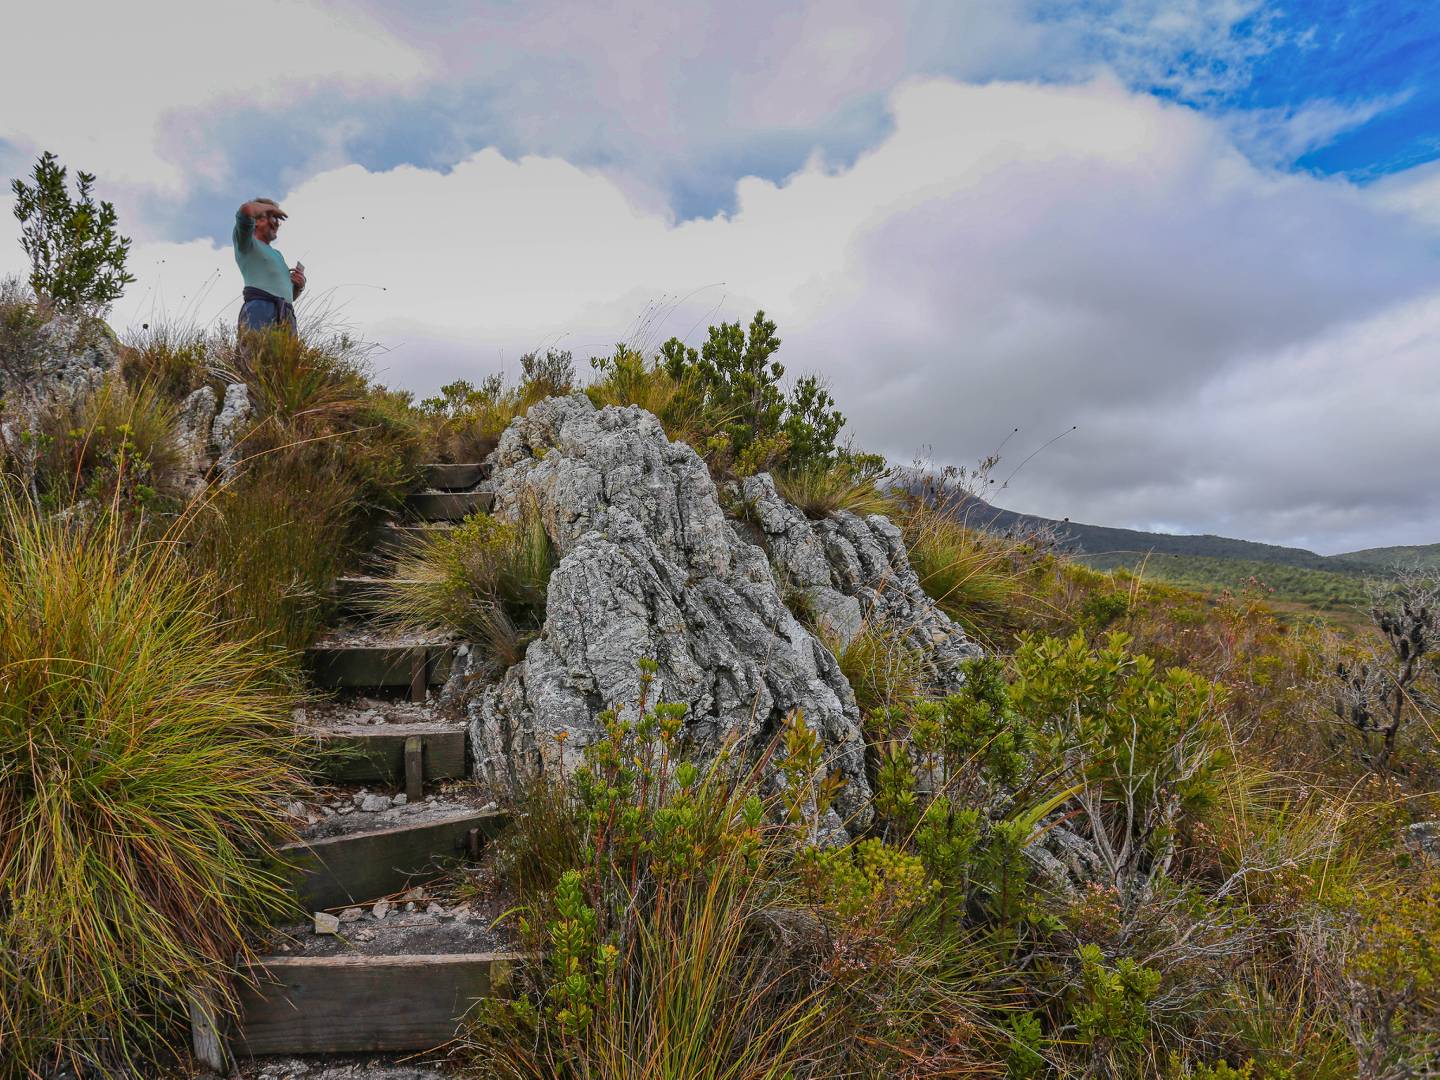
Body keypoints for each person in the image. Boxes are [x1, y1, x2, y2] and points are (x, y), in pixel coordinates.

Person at [233, 198, 306, 334]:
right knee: (257, 354)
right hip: (259, 308)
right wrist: (269, 208)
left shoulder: (277, 254)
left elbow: (288, 295)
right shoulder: (246, 243)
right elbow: (245, 210)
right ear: (257, 221)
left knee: (286, 356)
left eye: (278, 221)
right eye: (274, 218)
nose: (277, 224)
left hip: (286, 315)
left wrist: (298, 287)